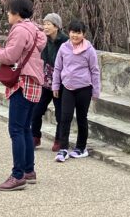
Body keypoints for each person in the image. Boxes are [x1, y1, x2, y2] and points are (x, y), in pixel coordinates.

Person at [0, 0, 46, 191]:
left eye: (9, 12)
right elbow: (19, 53)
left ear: (17, 14)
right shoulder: (35, 30)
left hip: (22, 83)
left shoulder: (19, 30)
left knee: (16, 130)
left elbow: (10, 56)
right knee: (25, 128)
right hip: (34, 82)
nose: (8, 15)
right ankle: (29, 170)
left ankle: (18, 175)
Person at [52, 18, 101, 162]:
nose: (75, 36)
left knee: (81, 118)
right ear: (69, 33)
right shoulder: (64, 48)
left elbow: (95, 71)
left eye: (78, 33)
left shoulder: (89, 50)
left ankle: (81, 148)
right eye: (73, 32)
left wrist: (95, 91)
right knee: (65, 117)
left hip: (84, 89)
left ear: (83, 34)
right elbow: (57, 68)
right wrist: (55, 85)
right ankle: (63, 148)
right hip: (67, 87)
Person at [31, 12, 68, 151]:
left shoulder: (65, 41)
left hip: (60, 83)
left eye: (48, 24)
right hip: (45, 82)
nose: (45, 26)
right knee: (36, 110)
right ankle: (35, 137)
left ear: (56, 26)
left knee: (60, 113)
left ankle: (59, 139)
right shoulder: (42, 39)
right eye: (44, 23)